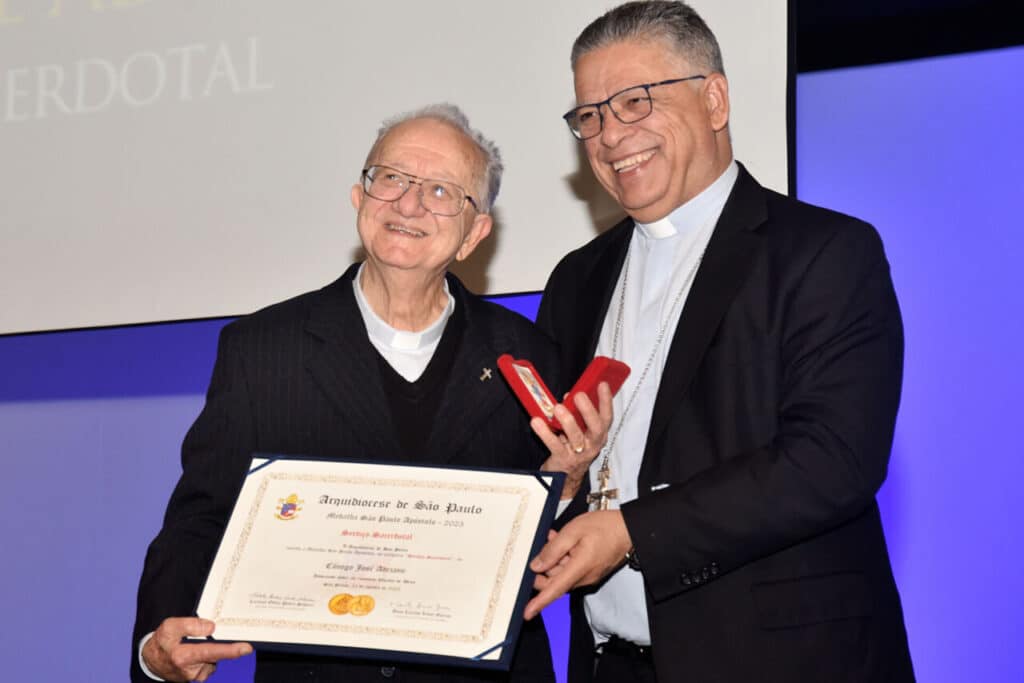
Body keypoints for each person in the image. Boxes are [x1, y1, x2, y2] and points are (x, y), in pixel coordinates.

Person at [131, 103, 611, 683]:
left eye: (440, 190)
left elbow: (554, 555)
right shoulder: (262, 349)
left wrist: (566, 485)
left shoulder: (530, 354)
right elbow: (202, 517)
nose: (408, 205)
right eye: (392, 179)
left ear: (474, 234)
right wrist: (156, 644)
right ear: (359, 198)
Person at [522, 2, 915, 681]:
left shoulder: (824, 252)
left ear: (714, 99)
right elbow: (556, 459)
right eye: (590, 116)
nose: (611, 135)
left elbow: (832, 461)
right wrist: (564, 485)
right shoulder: (576, 279)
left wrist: (632, 531)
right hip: (611, 666)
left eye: (635, 102)